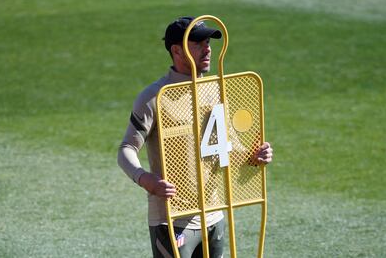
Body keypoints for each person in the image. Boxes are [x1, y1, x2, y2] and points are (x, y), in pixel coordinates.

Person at [117, 16, 273, 258]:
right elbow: (126, 148)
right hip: (172, 219)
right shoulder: (154, 97)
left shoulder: (214, 89)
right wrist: (144, 178)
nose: (208, 49)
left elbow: (227, 146)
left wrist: (255, 156)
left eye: (208, 42)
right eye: (198, 43)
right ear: (177, 50)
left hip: (215, 213)